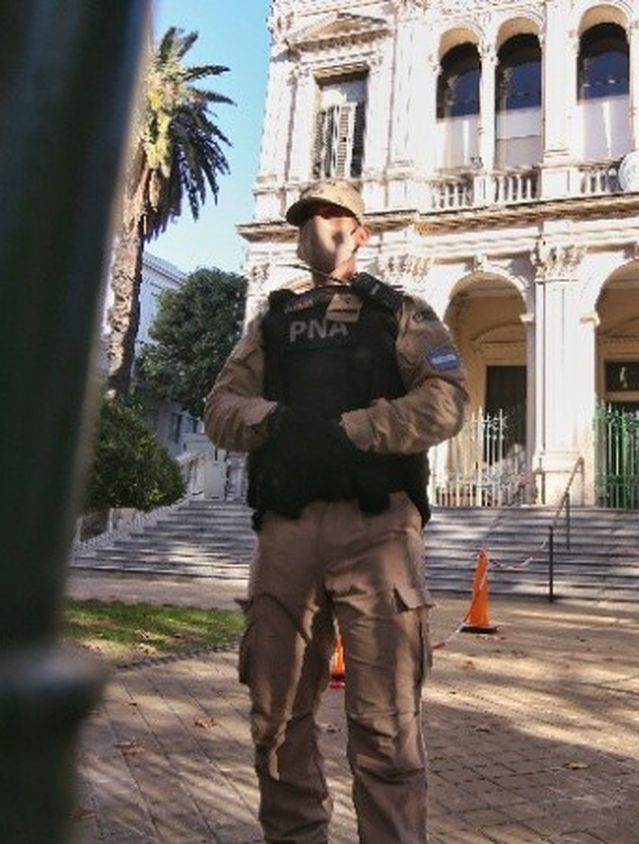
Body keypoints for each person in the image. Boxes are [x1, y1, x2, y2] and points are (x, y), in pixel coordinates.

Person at [204, 179, 468, 843]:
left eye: (332, 214)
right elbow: (221, 409)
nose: (318, 226)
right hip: (289, 529)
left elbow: (447, 399)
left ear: (361, 230)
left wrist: (358, 428)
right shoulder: (271, 323)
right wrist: (279, 421)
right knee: (276, 714)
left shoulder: (402, 313)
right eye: (307, 217)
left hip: (375, 530)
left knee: (385, 725)